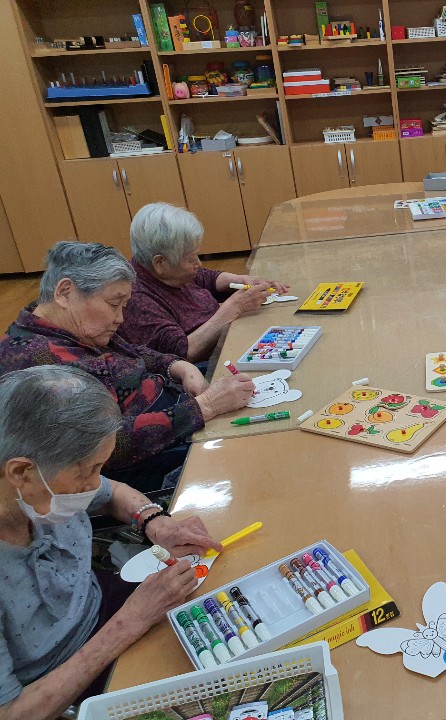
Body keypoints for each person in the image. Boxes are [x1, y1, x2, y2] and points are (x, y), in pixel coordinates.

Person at [0, 366, 222, 720]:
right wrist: (130, 622)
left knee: (221, 600)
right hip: (60, 682)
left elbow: (112, 492)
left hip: (102, 603)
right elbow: (11, 713)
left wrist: (156, 523)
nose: (94, 483)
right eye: (87, 471)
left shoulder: (41, 486)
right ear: (19, 473)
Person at [0, 241, 254, 491]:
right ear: (65, 293)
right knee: (248, 454)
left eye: (123, 306)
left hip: (179, 406)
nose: (120, 318)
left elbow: (132, 353)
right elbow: (108, 445)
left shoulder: (65, 323)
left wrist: (177, 366)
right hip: (151, 455)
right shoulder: (35, 363)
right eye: (114, 305)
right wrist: (204, 407)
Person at [118, 203, 289, 362]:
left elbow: (204, 277)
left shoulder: (169, 271)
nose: (198, 264)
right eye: (191, 258)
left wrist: (240, 279)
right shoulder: (137, 301)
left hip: (230, 338)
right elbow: (182, 353)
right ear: (160, 262)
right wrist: (234, 308)